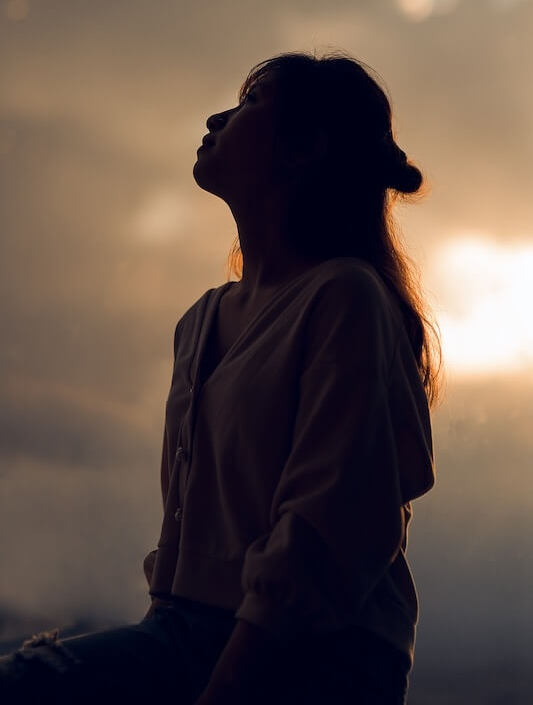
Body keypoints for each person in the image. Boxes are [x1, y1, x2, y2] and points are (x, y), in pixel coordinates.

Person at [0, 50, 441, 704]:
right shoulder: (200, 321)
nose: (216, 117)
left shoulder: (344, 297)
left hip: (312, 654)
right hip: (183, 631)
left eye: (250, 104)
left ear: (305, 149)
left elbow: (335, 521)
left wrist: (229, 682)